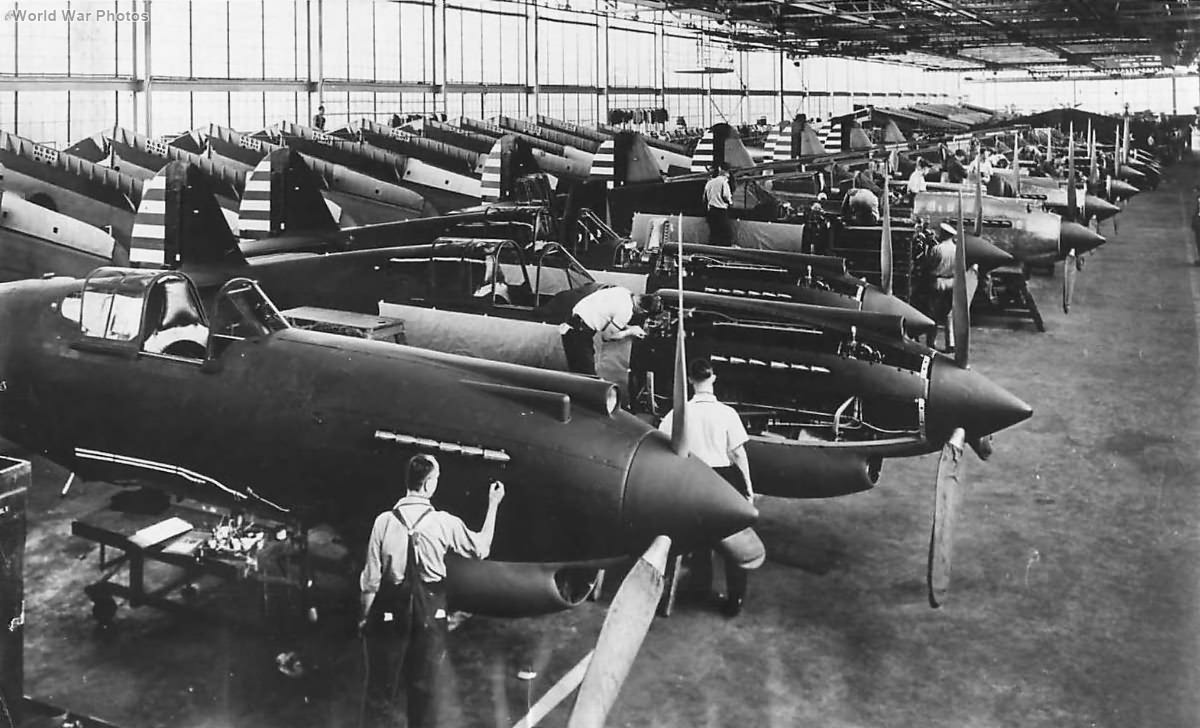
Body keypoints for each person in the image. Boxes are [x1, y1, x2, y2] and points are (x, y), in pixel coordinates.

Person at [358, 454, 505, 728]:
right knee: (424, 693)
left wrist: (366, 619)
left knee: (379, 693)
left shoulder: (383, 522)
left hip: (389, 615)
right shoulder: (442, 522)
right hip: (429, 617)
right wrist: (493, 505)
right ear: (428, 485)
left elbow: (371, 581)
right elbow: (481, 548)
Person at [657, 357, 754, 617]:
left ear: (690, 380)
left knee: (695, 536)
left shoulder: (677, 414)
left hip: (692, 478)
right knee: (732, 541)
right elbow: (738, 455)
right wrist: (747, 489)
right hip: (723, 480)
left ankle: (698, 588)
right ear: (713, 378)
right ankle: (735, 601)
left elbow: (665, 447)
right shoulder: (727, 413)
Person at [558, 284, 648, 376]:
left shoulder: (623, 291)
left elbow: (608, 314)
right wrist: (630, 332)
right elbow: (607, 336)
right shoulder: (626, 312)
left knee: (578, 373)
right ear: (643, 311)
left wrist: (628, 327)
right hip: (579, 332)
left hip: (573, 321)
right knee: (587, 376)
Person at [703, 164, 734, 245]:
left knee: (714, 234)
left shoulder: (709, 182)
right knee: (726, 235)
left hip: (711, 211)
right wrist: (730, 202)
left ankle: (711, 253)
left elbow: (704, 198)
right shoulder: (724, 182)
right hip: (721, 211)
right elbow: (726, 196)